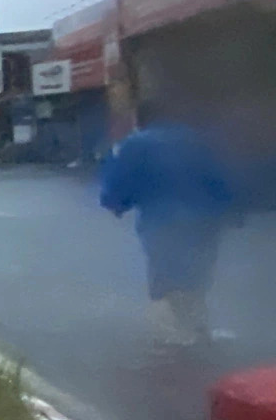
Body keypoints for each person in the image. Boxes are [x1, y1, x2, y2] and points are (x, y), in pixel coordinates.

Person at [99, 105, 235, 345]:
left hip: (163, 222)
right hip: (207, 221)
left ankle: (183, 338)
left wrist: (115, 204)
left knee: (168, 280)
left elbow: (117, 187)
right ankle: (199, 328)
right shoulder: (199, 140)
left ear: (140, 120)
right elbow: (221, 179)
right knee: (197, 276)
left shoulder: (136, 144)